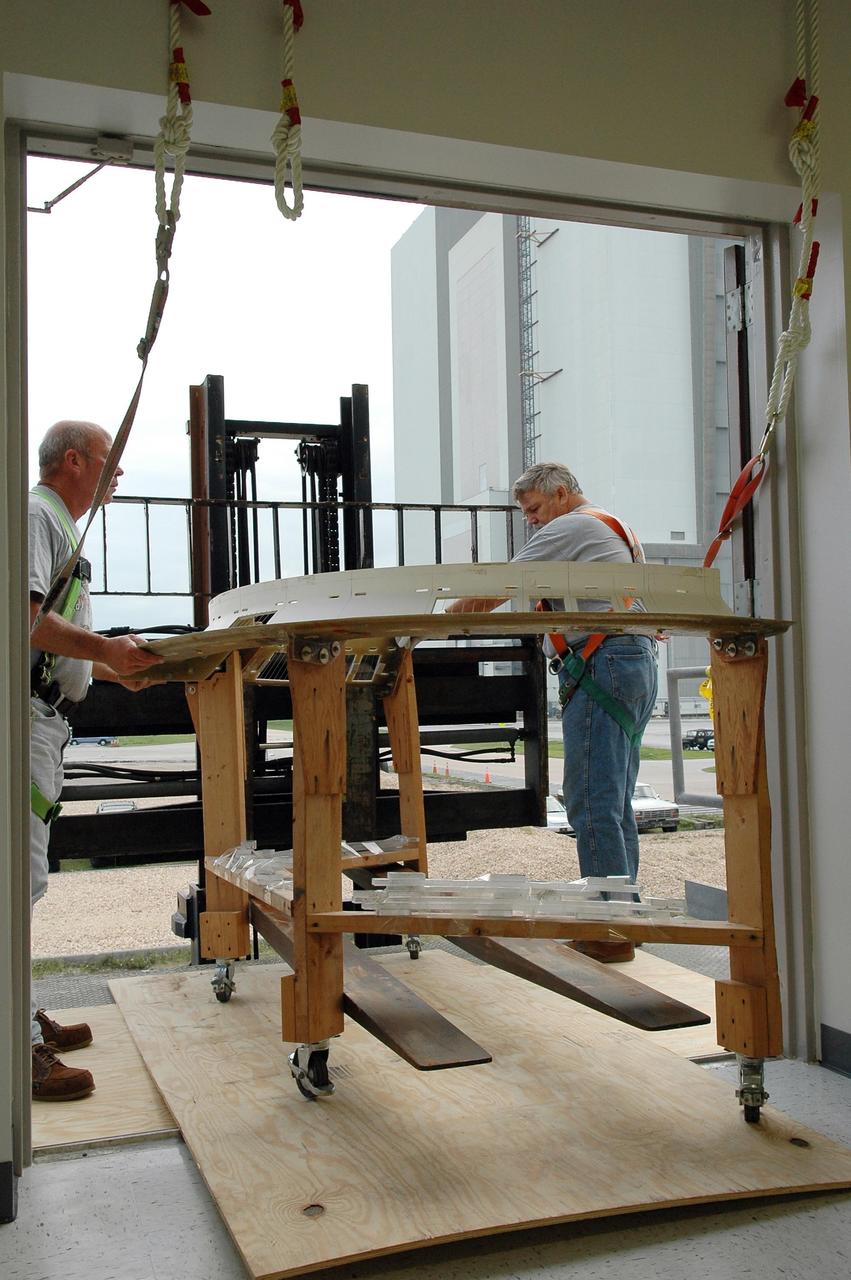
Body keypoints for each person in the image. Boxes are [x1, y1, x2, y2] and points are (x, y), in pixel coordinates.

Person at [446, 461, 658, 962]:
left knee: (589, 798)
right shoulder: (612, 525)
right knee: (613, 799)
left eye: (535, 510)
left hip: (602, 663)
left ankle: (608, 930)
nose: (533, 522)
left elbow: (501, 586)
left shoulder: (572, 526)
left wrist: (434, 620)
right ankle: (621, 915)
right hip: (628, 661)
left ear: (561, 495)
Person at [29, 420, 163, 1100]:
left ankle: (19, 1020)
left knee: (23, 883)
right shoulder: (37, 517)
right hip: (26, 720)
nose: (116, 476)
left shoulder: (59, 529)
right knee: (13, 886)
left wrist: (113, 667)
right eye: (110, 462)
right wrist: (106, 652)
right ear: (74, 461)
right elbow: (22, 620)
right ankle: (15, 1046)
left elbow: (53, 646)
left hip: (45, 717)